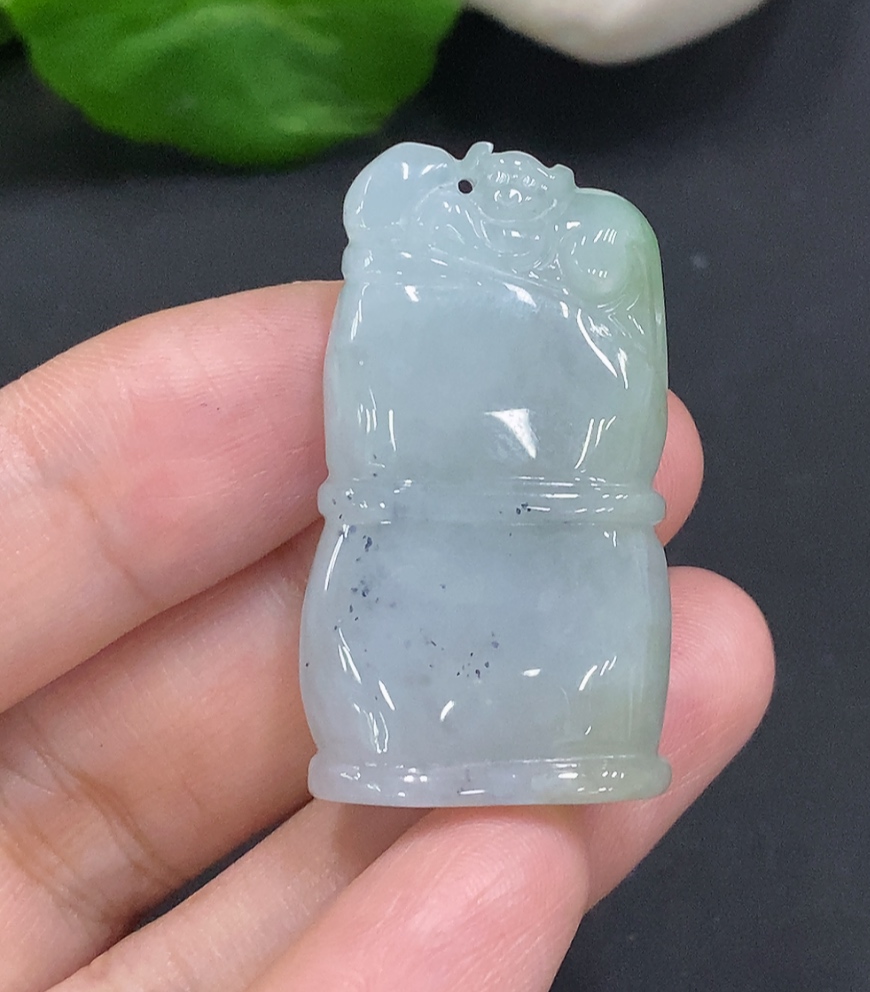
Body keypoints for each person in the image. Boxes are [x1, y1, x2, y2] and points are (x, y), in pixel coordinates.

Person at [0, 282, 774, 992]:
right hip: (422, 535)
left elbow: (614, 398)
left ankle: (555, 728)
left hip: (546, 530)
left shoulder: (579, 270)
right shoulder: (407, 288)